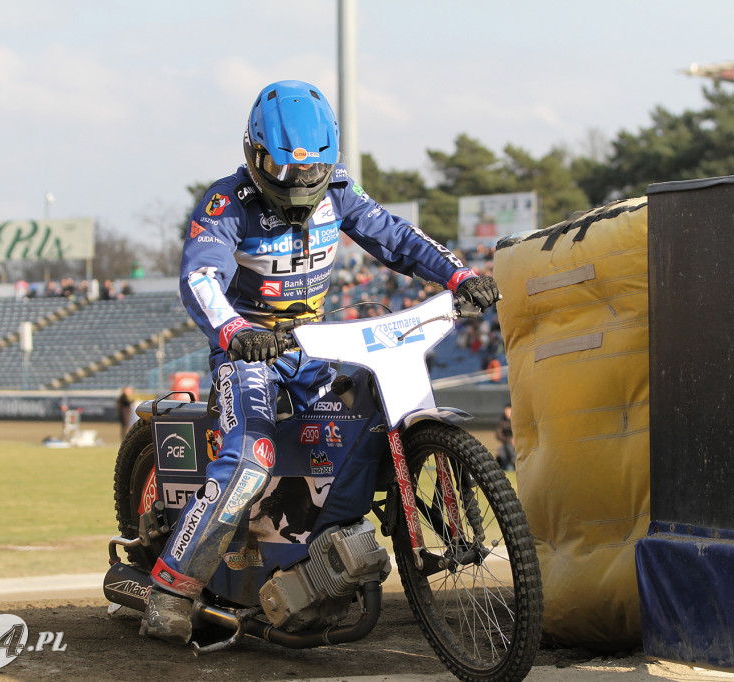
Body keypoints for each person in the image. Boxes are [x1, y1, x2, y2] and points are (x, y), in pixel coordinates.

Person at [138, 79, 501, 644]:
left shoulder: (339, 190)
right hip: (249, 351)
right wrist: (234, 330)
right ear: (255, 156)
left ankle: (327, 558)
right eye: (287, 172)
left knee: (365, 424)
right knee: (250, 459)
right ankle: (172, 586)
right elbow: (200, 276)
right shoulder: (225, 203)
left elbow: (396, 238)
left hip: (316, 345)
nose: (303, 182)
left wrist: (459, 275)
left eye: (314, 170)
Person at [495, 403, 516, 472]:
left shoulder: (517, 420)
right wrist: (510, 440)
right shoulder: (502, 421)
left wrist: (515, 440)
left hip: (517, 445)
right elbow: (499, 435)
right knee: (503, 451)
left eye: (509, 411)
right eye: (506, 411)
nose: (507, 413)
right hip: (507, 445)